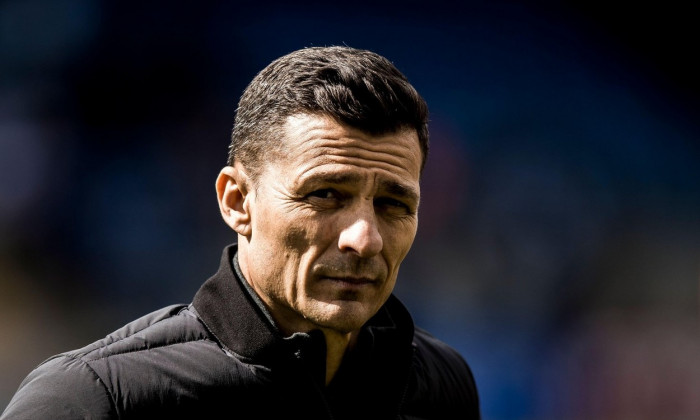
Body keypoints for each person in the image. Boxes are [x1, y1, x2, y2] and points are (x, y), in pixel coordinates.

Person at [1, 46, 480, 419]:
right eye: (325, 194)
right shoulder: (96, 397)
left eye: (394, 204)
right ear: (236, 201)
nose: (365, 237)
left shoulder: (441, 384)